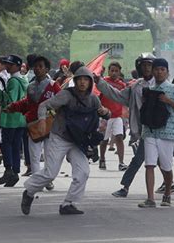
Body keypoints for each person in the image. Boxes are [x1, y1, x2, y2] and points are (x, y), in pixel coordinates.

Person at [95, 53, 174, 199]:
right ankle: (127, 187)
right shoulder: (136, 86)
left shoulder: (168, 87)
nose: (147, 69)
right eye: (143, 65)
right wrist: (100, 83)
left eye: (150, 66)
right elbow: (118, 96)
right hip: (147, 129)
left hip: (166, 130)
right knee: (141, 160)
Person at [21, 67, 110, 215]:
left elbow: (106, 113)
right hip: (60, 137)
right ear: (75, 81)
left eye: (86, 79)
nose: (82, 82)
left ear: (90, 83)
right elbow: (44, 106)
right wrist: (42, 120)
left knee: (83, 172)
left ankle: (69, 204)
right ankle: (29, 191)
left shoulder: (93, 99)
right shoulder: (66, 95)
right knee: (50, 173)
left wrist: (106, 112)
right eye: (80, 79)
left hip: (78, 141)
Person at [5, 56, 61, 189]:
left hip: (50, 125)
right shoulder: (30, 86)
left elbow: (61, 102)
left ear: (46, 69)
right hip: (33, 125)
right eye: (35, 66)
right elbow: (26, 104)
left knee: (49, 155)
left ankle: (47, 178)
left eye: (40, 66)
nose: (37, 69)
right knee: (34, 156)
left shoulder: (53, 86)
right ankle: (38, 182)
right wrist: (13, 107)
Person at [138, 58, 174, 208]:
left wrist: (168, 101)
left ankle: (167, 194)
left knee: (166, 166)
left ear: (167, 72)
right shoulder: (147, 88)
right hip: (149, 132)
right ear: (152, 71)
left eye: (162, 69)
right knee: (150, 164)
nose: (159, 72)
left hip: (168, 133)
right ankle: (150, 198)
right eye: (156, 69)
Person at [0, 54, 29, 187]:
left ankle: (9, 169)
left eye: (10, 64)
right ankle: (15, 170)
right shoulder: (24, 80)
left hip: (11, 118)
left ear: (17, 66)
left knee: (5, 143)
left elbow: (10, 99)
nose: (7, 66)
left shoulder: (13, 81)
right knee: (15, 145)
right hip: (21, 118)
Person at [98, 61, 127, 171]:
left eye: (116, 71)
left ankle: (121, 162)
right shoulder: (103, 82)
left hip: (117, 116)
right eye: (112, 70)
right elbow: (98, 96)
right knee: (104, 140)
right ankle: (102, 159)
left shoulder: (122, 85)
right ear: (108, 71)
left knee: (119, 137)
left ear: (120, 72)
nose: (114, 73)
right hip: (105, 116)